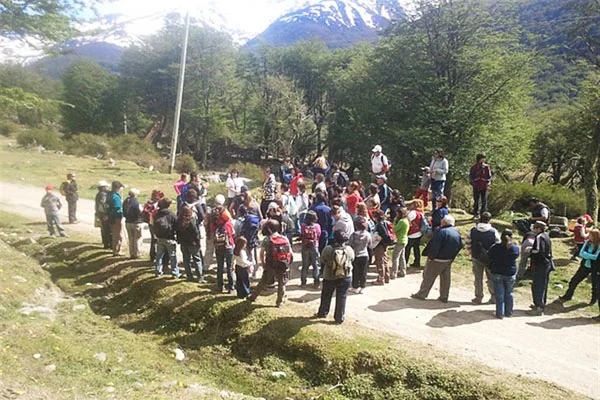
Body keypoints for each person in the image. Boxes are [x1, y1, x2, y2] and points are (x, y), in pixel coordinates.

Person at [411, 215, 462, 302]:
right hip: (449, 259)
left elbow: (435, 246)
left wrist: (431, 257)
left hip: (438, 259)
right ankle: (444, 296)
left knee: (428, 276)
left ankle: (422, 294)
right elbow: (460, 245)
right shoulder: (457, 232)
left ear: (444, 222)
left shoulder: (440, 232)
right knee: (446, 278)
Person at [248, 219, 292, 307]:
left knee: (263, 281)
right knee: (281, 283)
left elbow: (261, 254)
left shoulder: (267, 239)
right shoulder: (284, 238)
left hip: (271, 264)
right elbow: (290, 253)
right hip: (282, 264)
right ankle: (279, 302)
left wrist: (263, 264)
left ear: (269, 229)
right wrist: (288, 264)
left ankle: (253, 297)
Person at [316, 231, 355, 324]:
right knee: (342, 296)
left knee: (326, 295)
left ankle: (323, 312)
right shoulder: (349, 249)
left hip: (330, 275)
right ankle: (339, 317)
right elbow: (352, 259)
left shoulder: (328, 249)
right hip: (345, 276)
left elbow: (322, 260)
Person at [465, 212, 500, 305]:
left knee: (478, 278)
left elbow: (468, 242)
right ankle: (494, 297)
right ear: (489, 220)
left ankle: (478, 297)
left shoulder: (473, 230)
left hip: (476, 256)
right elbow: (498, 244)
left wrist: (469, 251)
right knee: (491, 278)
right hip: (490, 258)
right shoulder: (494, 231)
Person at [559, 229, 600, 304]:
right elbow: (581, 253)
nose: (588, 236)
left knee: (595, 285)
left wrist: (586, 255)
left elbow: (596, 257)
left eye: (590, 235)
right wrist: (590, 256)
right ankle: (568, 295)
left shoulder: (599, 245)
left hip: (595, 267)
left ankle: (593, 301)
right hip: (585, 266)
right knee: (574, 280)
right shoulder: (587, 243)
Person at [488, 229, 520, 319]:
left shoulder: (495, 247)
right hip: (510, 272)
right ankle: (509, 312)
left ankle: (500, 313)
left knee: (499, 293)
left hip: (497, 271)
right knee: (509, 293)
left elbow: (489, 256)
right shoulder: (515, 248)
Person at [528, 221, 554, 316]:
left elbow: (539, 251)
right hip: (547, 264)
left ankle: (539, 307)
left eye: (535, 227)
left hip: (540, 265)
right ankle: (541, 304)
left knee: (537, 286)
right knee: (543, 285)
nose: (534, 229)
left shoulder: (539, 237)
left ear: (538, 228)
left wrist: (530, 250)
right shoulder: (546, 236)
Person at [213, 195, 235, 293]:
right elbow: (233, 233)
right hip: (228, 245)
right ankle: (231, 287)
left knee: (219, 266)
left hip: (218, 246)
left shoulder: (216, 224)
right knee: (229, 267)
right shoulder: (228, 224)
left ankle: (220, 286)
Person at [176, 206, 204, 283]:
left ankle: (189, 276)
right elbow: (196, 233)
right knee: (197, 260)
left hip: (183, 243)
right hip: (193, 244)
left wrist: (179, 240)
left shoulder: (179, 221)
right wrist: (198, 244)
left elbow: (177, 232)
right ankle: (200, 277)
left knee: (186, 260)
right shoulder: (191, 221)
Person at [153, 198, 180, 278]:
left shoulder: (157, 214)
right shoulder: (171, 214)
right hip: (170, 238)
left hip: (160, 238)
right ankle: (175, 273)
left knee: (159, 256)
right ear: (168, 205)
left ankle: (158, 272)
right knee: (173, 256)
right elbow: (176, 225)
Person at [348, 217, 372, 293]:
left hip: (356, 255)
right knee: (363, 272)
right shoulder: (368, 234)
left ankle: (355, 286)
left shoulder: (354, 235)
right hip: (365, 254)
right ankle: (363, 286)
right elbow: (369, 244)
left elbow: (350, 244)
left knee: (355, 271)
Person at [372, 209, 395, 285]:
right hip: (385, 245)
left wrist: (378, 238)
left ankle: (380, 279)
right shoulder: (385, 222)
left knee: (380, 261)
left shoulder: (379, 224)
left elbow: (384, 235)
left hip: (380, 245)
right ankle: (386, 277)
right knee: (384, 260)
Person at [300, 210, 322, 288]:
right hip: (314, 246)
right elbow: (319, 235)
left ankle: (303, 282)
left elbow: (301, 234)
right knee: (315, 265)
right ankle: (316, 283)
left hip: (305, 246)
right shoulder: (317, 226)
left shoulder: (303, 225)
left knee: (305, 265)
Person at [142, 190, 164, 262]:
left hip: (150, 223)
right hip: (156, 224)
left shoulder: (148, 203)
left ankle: (152, 256)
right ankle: (158, 256)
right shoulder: (156, 205)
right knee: (158, 240)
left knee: (153, 240)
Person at [123, 188, 143, 259]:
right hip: (136, 222)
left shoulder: (126, 201)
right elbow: (140, 212)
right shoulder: (136, 202)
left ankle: (131, 253)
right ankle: (137, 253)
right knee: (137, 238)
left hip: (128, 222)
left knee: (131, 238)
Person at [405, 200, 425, 268]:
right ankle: (417, 262)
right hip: (418, 233)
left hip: (411, 233)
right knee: (416, 248)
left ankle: (405, 262)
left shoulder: (413, 212)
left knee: (407, 249)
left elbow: (407, 220)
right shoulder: (421, 213)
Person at [391, 207, 409, 278]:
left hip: (400, 241)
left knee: (395, 257)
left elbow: (394, 229)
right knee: (402, 257)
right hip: (404, 239)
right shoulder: (406, 220)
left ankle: (393, 273)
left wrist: (395, 221)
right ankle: (403, 271)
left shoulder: (401, 221)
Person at [108, 181, 124, 257]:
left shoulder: (110, 194)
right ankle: (117, 250)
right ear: (117, 188)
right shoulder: (116, 197)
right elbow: (117, 207)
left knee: (114, 234)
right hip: (116, 218)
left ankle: (115, 249)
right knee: (118, 234)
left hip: (111, 217)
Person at [94, 181, 111, 249]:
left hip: (100, 213)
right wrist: (106, 213)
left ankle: (105, 242)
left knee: (103, 229)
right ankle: (107, 243)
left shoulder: (98, 194)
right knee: (107, 229)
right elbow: (104, 204)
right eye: (106, 186)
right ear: (103, 187)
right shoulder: (103, 195)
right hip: (104, 214)